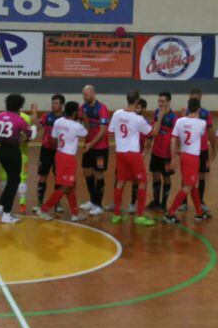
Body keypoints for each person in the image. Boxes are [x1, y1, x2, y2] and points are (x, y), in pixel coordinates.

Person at [107, 91, 155, 226]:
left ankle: (116, 214)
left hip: (120, 152)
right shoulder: (138, 119)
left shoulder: (117, 113)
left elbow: (110, 132)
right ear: (137, 101)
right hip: (133, 153)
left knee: (121, 182)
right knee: (142, 182)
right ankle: (139, 215)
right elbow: (152, 132)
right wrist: (160, 117)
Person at [163, 97, 213, 223]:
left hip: (184, 155)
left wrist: (173, 157)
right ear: (199, 109)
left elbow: (173, 139)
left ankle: (199, 213)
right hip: (193, 157)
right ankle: (170, 213)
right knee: (188, 186)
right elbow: (201, 136)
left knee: (193, 185)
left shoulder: (179, 121)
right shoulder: (202, 123)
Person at [37, 101, 88, 222]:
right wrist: (85, 119)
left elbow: (54, 138)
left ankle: (75, 213)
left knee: (71, 185)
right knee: (66, 187)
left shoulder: (58, 121)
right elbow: (87, 133)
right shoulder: (76, 126)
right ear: (75, 112)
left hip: (59, 154)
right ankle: (44, 209)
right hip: (68, 158)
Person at [0, 94, 36, 224]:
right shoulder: (19, 119)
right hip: (13, 152)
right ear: (20, 106)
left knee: (11, 179)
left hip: (1, 151)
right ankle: (6, 214)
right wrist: (33, 127)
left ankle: (1, 205)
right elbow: (30, 136)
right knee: (14, 181)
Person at [176, 89, 214, 212]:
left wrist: (212, 147)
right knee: (185, 177)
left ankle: (201, 202)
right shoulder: (185, 114)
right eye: (192, 98)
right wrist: (177, 147)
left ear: (200, 98)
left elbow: (210, 132)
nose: (194, 100)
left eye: (197, 98)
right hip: (188, 150)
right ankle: (183, 203)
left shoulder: (206, 114)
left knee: (201, 175)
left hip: (202, 149)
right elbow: (178, 133)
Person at [79, 85, 109, 216]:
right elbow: (85, 125)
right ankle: (92, 200)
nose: (83, 97)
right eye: (83, 95)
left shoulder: (102, 108)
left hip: (100, 148)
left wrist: (90, 144)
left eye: (85, 95)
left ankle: (98, 205)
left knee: (98, 174)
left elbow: (102, 131)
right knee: (86, 172)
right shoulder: (83, 107)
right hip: (88, 146)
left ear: (93, 94)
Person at [36, 94, 65, 212]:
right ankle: (39, 203)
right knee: (43, 176)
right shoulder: (46, 116)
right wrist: (35, 117)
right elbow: (38, 127)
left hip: (59, 151)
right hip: (46, 150)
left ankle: (57, 203)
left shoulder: (65, 119)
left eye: (56, 103)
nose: (53, 105)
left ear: (62, 105)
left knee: (58, 177)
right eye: (53, 103)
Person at [148, 91, 177, 211]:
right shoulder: (156, 113)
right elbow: (153, 130)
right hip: (156, 152)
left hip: (167, 154)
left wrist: (173, 157)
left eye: (163, 101)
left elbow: (175, 139)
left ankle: (164, 204)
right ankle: (156, 202)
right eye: (159, 101)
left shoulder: (173, 118)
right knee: (155, 176)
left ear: (169, 102)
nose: (160, 104)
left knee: (166, 177)